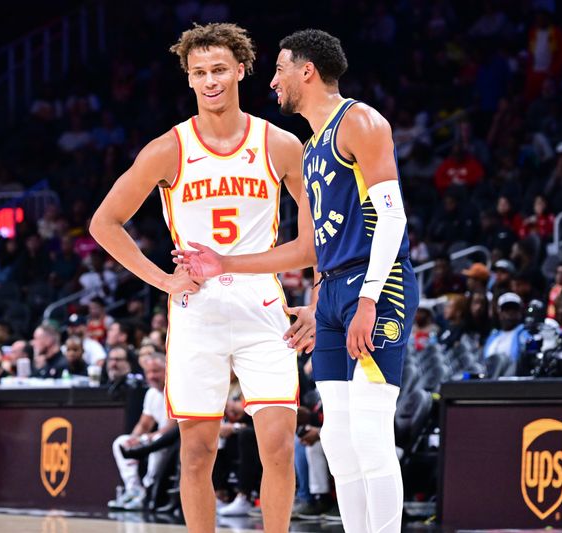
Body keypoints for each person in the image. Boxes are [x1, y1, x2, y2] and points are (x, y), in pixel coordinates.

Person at [178, 29, 418, 533]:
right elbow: (315, 244)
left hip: (376, 286)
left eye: (280, 69)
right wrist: (313, 297)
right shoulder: (310, 149)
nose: (273, 81)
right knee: (336, 441)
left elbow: (392, 221)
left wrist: (369, 300)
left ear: (306, 70)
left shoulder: (361, 120)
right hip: (330, 291)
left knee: (372, 435)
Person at [90, 23, 309, 532]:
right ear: (189, 79)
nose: (210, 80)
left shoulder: (279, 143)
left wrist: (318, 302)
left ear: (240, 69)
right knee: (197, 451)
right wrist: (163, 280)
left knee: (277, 444)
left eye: (218, 70)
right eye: (199, 73)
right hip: (198, 310)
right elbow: (105, 223)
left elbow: (322, 234)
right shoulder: (168, 148)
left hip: (263, 304)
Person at [109, 355, 177, 511]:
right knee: (121, 442)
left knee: (157, 442)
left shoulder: (174, 391)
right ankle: (134, 489)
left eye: (156, 371)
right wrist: (134, 439)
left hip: (172, 440)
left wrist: (144, 439)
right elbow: (144, 423)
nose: (152, 376)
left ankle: (148, 489)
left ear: (167, 371)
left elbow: (172, 428)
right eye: (149, 372)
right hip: (156, 437)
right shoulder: (152, 393)